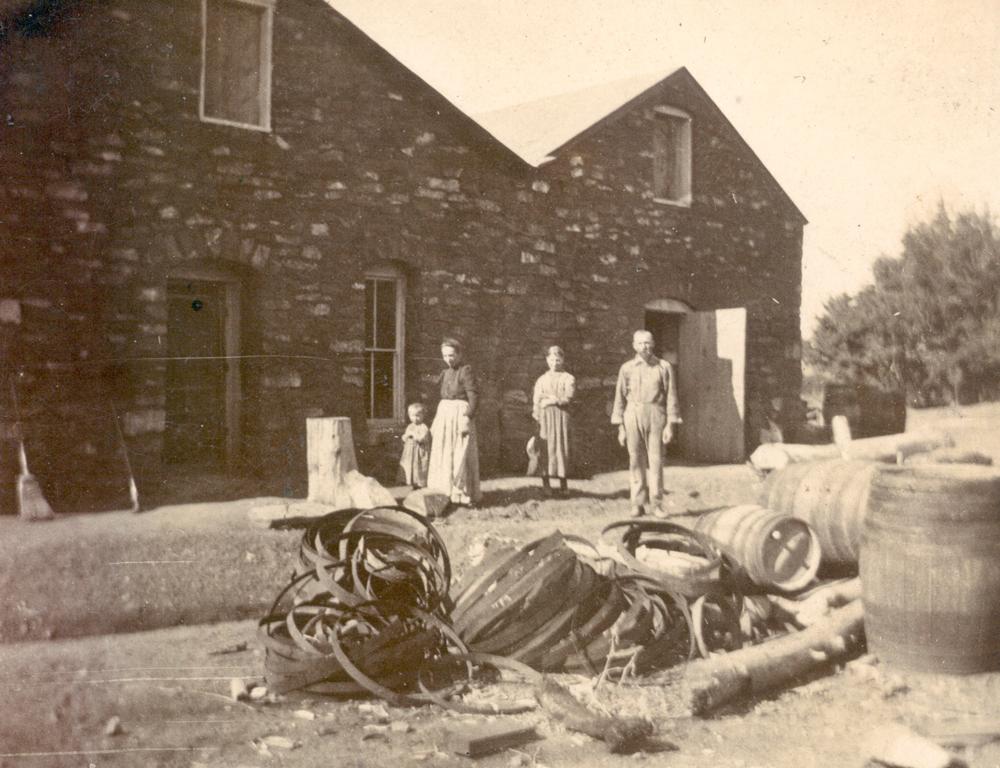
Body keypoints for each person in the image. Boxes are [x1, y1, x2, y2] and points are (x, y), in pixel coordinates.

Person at [611, 329, 682, 517]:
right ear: (634, 345)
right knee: (635, 460)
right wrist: (620, 428)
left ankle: (657, 504)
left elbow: (671, 397)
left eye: (648, 342)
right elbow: (619, 398)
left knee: (656, 461)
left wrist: (670, 425)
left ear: (653, 344)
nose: (645, 346)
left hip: (656, 414)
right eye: (641, 343)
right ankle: (637, 504)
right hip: (633, 415)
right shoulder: (626, 368)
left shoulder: (663, 367)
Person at [427, 338, 481, 506]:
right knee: (444, 452)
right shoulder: (445, 373)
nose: (448, 359)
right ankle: (445, 492)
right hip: (445, 414)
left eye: (451, 355)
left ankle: (461, 493)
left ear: (459, 354)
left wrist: (467, 417)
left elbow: (474, 397)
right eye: (445, 356)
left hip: (460, 415)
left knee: (459, 453)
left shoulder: (465, 371)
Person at [531, 345, 576, 495]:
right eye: (551, 360)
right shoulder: (541, 380)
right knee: (545, 449)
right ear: (547, 360)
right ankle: (546, 484)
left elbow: (568, 397)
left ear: (562, 360)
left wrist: (550, 399)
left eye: (558, 359)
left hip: (561, 417)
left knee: (561, 448)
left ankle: (563, 484)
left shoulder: (568, 378)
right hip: (545, 420)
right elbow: (537, 400)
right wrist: (537, 415)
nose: (554, 363)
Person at [399, 402, 431, 489]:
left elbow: (422, 438)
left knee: (419, 467)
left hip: (419, 451)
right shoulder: (410, 426)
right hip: (410, 452)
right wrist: (405, 436)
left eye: (418, 416)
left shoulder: (423, 427)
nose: (415, 418)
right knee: (409, 466)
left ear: (423, 416)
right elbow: (404, 437)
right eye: (412, 416)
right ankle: (410, 481)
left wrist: (414, 435)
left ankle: (419, 483)